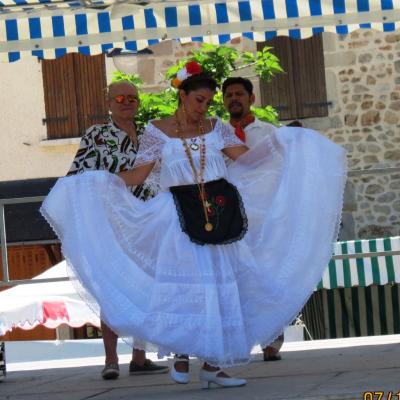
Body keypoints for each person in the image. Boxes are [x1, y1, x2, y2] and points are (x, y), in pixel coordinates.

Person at [41, 62, 346, 389]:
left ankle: (215, 365)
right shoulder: (157, 130)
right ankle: (182, 353)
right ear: (182, 95)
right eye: (199, 100)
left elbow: (248, 159)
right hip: (178, 215)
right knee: (186, 287)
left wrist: (282, 143)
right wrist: (100, 182)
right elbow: (138, 175)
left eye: (208, 101)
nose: (204, 107)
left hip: (219, 211)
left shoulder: (217, 128)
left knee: (222, 286)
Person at [67, 80, 168, 380]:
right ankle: (111, 359)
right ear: (109, 102)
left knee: (146, 287)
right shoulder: (96, 134)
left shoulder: (152, 136)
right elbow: (77, 176)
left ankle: (139, 356)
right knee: (111, 289)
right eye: (120, 98)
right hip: (113, 221)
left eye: (133, 98)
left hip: (149, 221)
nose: (127, 102)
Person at [222, 76, 285, 362]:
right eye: (229, 95)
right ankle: (243, 338)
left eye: (239, 94)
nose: (234, 98)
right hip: (231, 216)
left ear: (251, 98)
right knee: (237, 279)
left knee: (266, 275)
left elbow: (284, 171)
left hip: (263, 217)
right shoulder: (217, 135)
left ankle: (273, 335)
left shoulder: (270, 133)